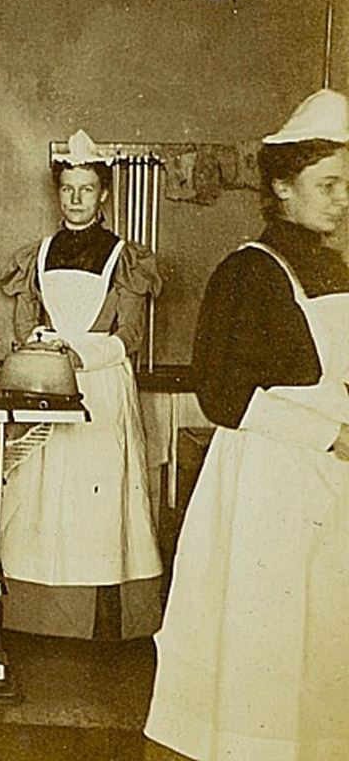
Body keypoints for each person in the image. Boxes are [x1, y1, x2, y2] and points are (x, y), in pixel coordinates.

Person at [145, 89, 349, 760]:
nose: (341, 198)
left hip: (331, 482)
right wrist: (331, 435)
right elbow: (222, 395)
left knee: (321, 636)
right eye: (328, 184)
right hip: (270, 482)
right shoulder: (247, 273)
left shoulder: (334, 267)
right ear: (283, 188)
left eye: (346, 184)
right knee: (266, 635)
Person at [0, 129, 163, 639]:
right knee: (41, 496)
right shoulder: (38, 255)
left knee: (97, 504)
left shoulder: (124, 257)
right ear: (58, 193)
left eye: (86, 189)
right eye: (68, 189)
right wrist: (43, 346)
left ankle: (101, 626)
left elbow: (129, 337)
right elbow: (24, 325)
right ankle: (33, 618)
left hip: (103, 391)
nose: (75, 199)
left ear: (103, 194)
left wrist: (78, 352)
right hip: (49, 384)